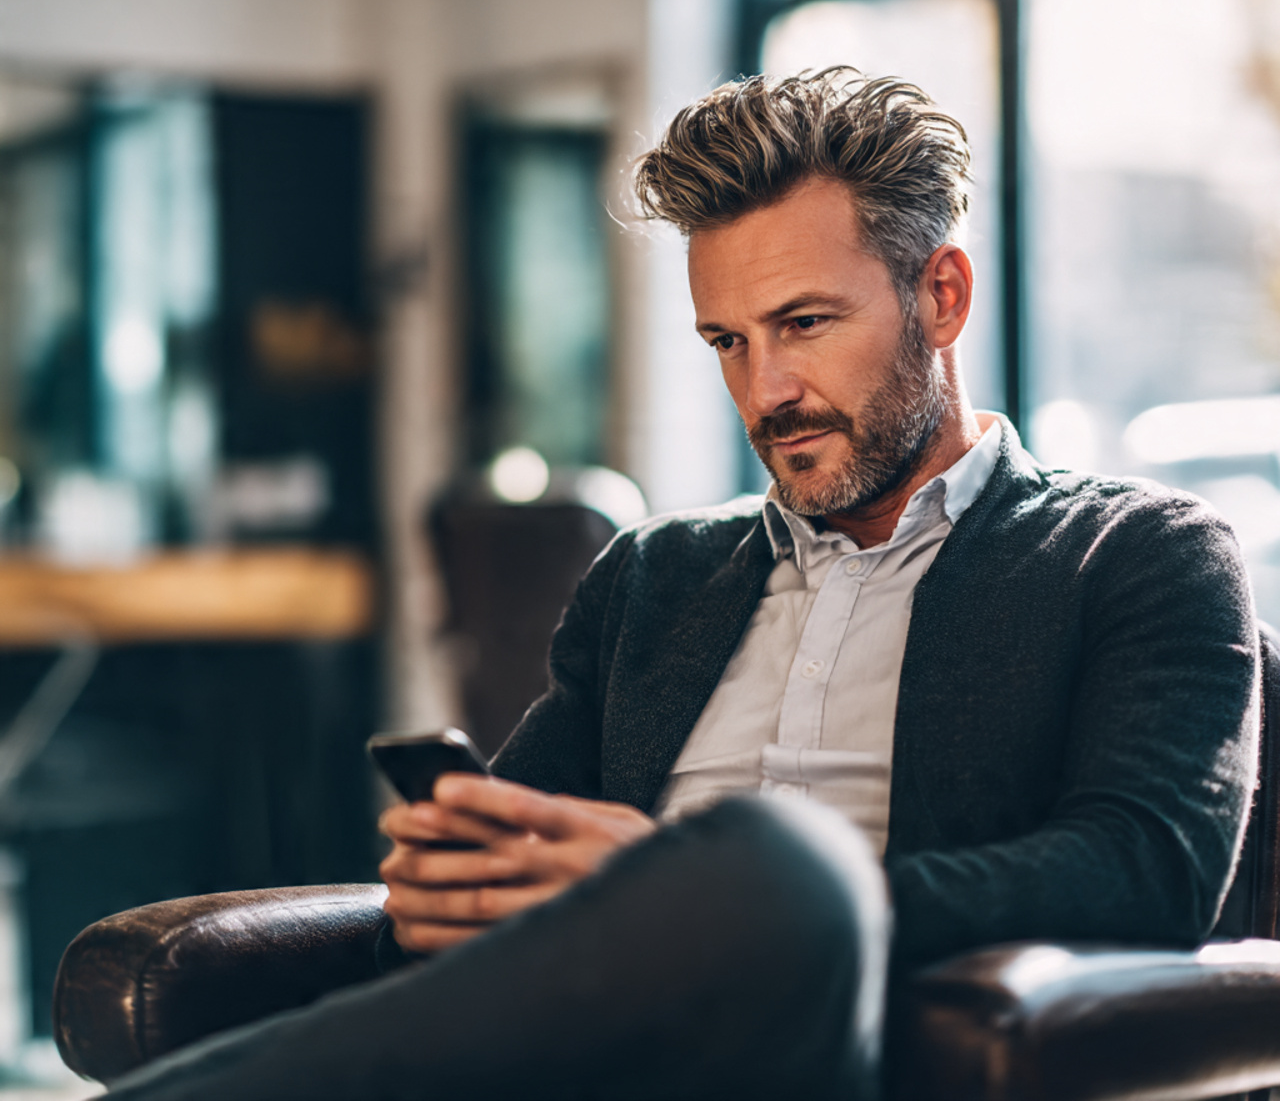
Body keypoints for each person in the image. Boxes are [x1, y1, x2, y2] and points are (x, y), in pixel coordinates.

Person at [108, 68, 1260, 1100]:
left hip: (834, 1042)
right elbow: (524, 841)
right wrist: (442, 894)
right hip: (581, 1041)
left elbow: (1142, 871)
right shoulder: (656, 574)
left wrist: (700, 881)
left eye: (803, 323)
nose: (768, 391)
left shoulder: (1139, 552)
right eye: (726, 341)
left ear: (941, 295)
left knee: (777, 863)